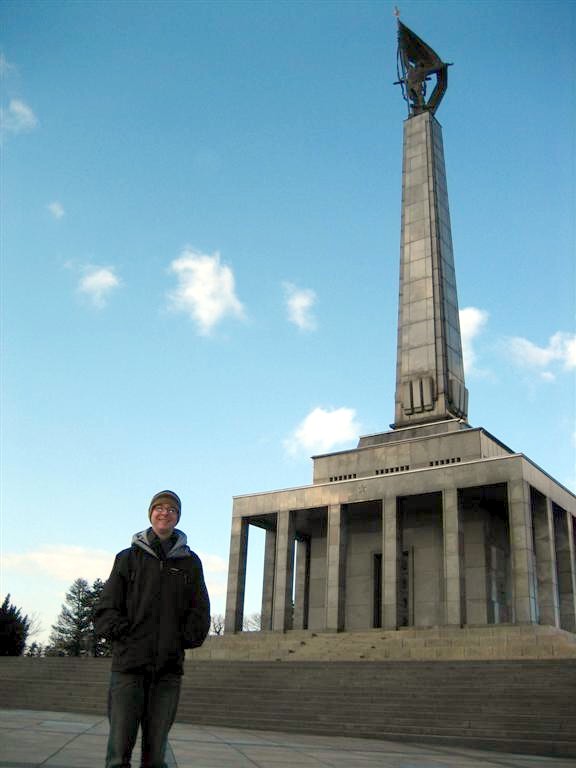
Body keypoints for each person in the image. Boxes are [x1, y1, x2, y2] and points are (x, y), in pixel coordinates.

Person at [95, 490, 210, 768]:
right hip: (129, 668)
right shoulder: (127, 558)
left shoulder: (190, 562)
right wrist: (125, 634)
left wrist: (181, 638)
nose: (164, 513)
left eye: (171, 509)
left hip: (167, 671)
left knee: (156, 755)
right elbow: (106, 608)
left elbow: (200, 609)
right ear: (150, 513)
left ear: (178, 517)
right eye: (159, 507)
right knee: (118, 753)